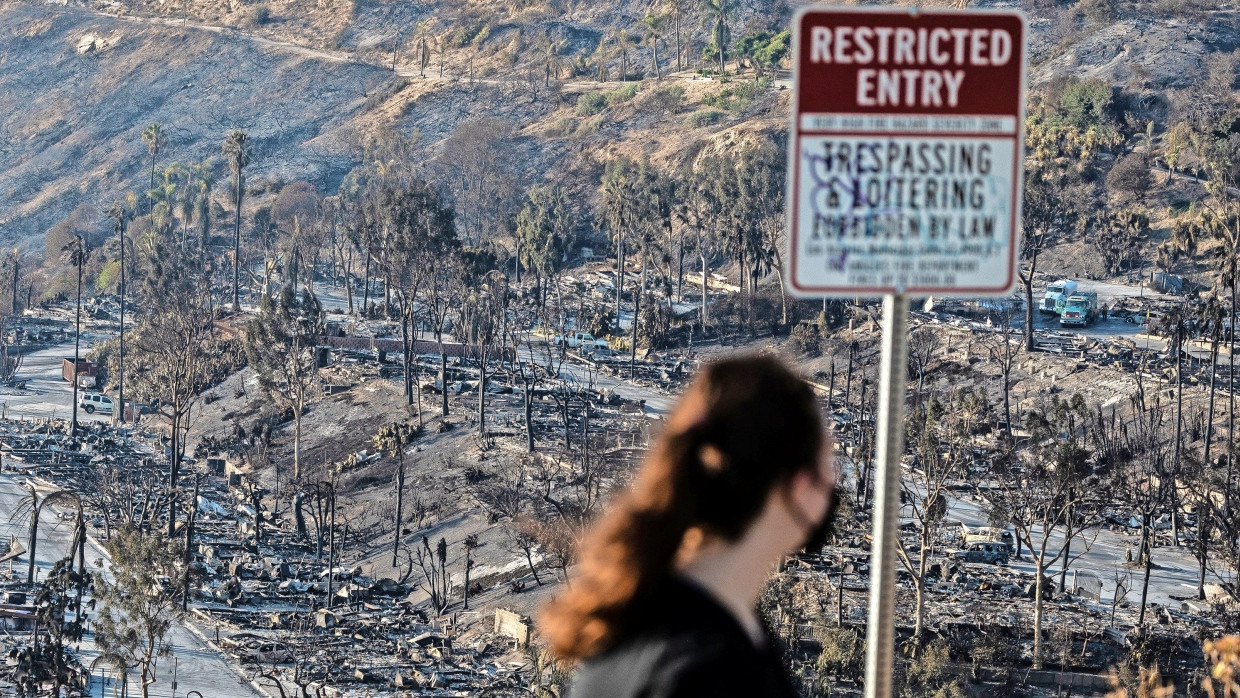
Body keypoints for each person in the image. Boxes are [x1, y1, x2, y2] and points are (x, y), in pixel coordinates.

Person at [540, 355, 836, 698]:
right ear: (797, 486)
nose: (832, 487)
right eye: (828, 467)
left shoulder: (637, 622)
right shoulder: (713, 671)